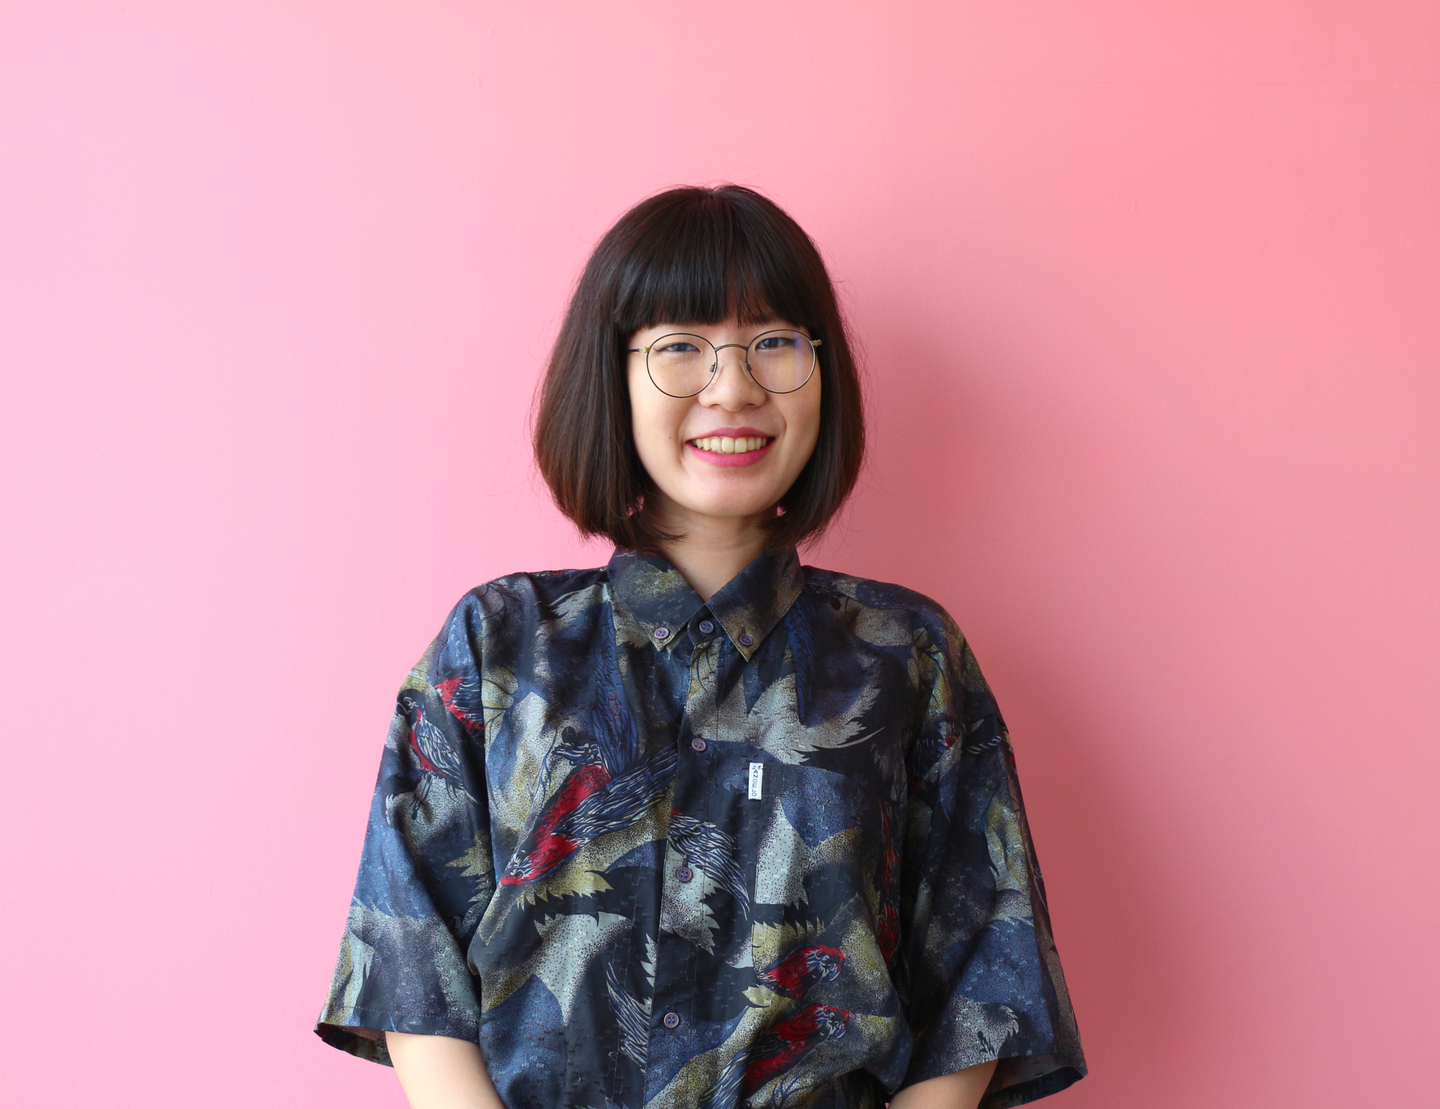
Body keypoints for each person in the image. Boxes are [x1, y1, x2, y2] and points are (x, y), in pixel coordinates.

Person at [315, 185, 1086, 1109]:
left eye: (774, 343)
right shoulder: (496, 644)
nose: (734, 387)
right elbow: (412, 963)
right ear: (611, 377)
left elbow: (979, 989)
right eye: (680, 346)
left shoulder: (908, 657)